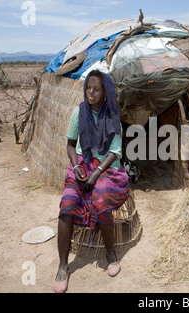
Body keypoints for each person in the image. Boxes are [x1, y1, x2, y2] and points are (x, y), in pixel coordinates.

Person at [54, 70, 129, 293]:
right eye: (88, 88)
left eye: (96, 89)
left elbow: (115, 151)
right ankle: (62, 265)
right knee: (67, 204)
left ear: (105, 92)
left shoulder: (113, 116)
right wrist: (77, 166)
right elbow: (70, 144)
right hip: (81, 165)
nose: (91, 93)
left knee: (101, 198)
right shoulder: (79, 113)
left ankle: (110, 253)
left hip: (106, 169)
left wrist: (96, 174)